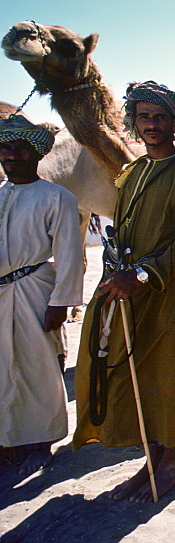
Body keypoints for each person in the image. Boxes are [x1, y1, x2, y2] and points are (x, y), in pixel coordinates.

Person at [73, 81, 175, 503]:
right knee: (138, 375)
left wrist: (143, 275)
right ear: (134, 123)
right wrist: (117, 274)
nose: (152, 125)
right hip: (127, 290)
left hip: (167, 290)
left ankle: (169, 461)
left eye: (160, 118)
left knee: (170, 375)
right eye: (144, 117)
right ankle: (150, 460)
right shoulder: (132, 172)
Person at [0, 114, 83, 475]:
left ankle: (41, 440)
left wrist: (60, 302)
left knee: (40, 365)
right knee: (4, 368)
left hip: (35, 289)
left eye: (21, 149)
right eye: (5, 149)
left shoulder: (57, 197)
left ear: (36, 154)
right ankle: (7, 440)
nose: (12, 156)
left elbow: (68, 255)